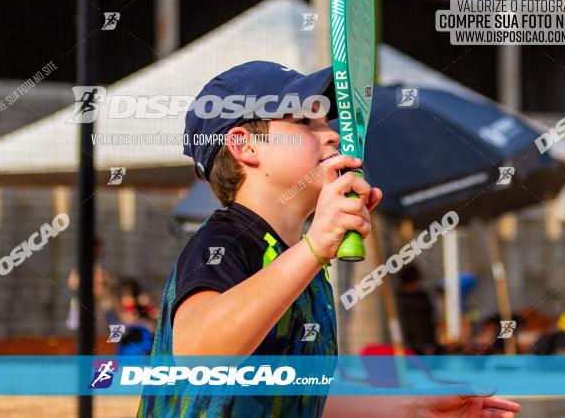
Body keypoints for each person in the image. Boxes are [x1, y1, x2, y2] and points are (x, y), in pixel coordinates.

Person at [136, 61, 521, 417]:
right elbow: (198, 355)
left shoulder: (300, 265)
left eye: (327, 121)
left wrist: (416, 408)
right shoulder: (227, 240)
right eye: (306, 122)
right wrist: (315, 248)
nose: (332, 135)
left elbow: (305, 395)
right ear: (244, 145)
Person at [396, 265, 440, 355]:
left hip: (422, 345)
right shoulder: (399, 300)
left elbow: (430, 321)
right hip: (409, 345)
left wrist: (429, 344)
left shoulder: (421, 296)